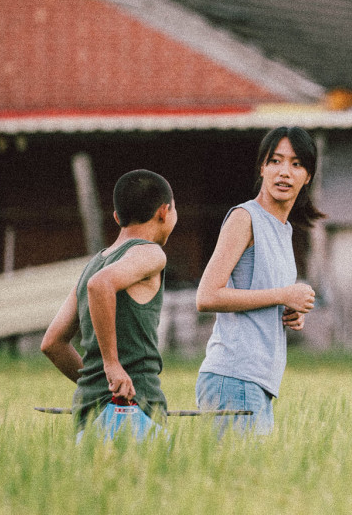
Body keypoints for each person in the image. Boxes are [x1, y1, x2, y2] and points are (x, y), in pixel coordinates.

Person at [195, 126, 323, 434]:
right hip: (234, 376)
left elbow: (259, 292)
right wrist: (282, 295)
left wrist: (288, 311)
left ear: (308, 176)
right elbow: (207, 296)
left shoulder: (284, 229)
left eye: (296, 164)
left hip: (259, 381)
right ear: (262, 168)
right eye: (276, 161)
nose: (284, 172)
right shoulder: (244, 218)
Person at [41, 169, 178, 430]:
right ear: (164, 211)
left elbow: (52, 343)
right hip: (133, 411)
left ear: (116, 217)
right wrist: (112, 366)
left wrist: (103, 381)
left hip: (87, 412)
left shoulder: (93, 265)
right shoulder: (152, 253)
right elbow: (101, 285)